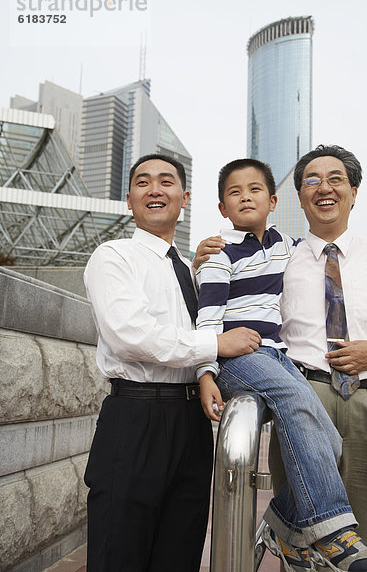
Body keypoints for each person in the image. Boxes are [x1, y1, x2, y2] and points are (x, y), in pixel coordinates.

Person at [194, 158, 367, 572]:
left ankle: (281, 523)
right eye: (234, 192)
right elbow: (207, 317)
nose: (245, 197)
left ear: (274, 200)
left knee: (329, 445)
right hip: (245, 358)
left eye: (255, 190)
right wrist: (205, 371)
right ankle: (333, 533)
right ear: (221, 207)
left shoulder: (289, 246)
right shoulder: (218, 253)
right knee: (296, 398)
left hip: (286, 360)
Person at [83, 153, 262, 572]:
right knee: (119, 550)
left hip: (191, 424)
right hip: (135, 417)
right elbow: (131, 337)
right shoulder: (114, 256)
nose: (154, 189)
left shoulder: (189, 269)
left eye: (166, 182)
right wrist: (217, 344)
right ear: (129, 199)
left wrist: (206, 373)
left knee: (180, 550)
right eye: (143, 183)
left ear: (184, 198)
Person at [272, 144, 367, 571]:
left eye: (335, 179)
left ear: (354, 192)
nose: (323, 188)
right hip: (304, 400)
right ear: (300, 196)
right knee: (308, 533)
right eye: (311, 180)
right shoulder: (279, 259)